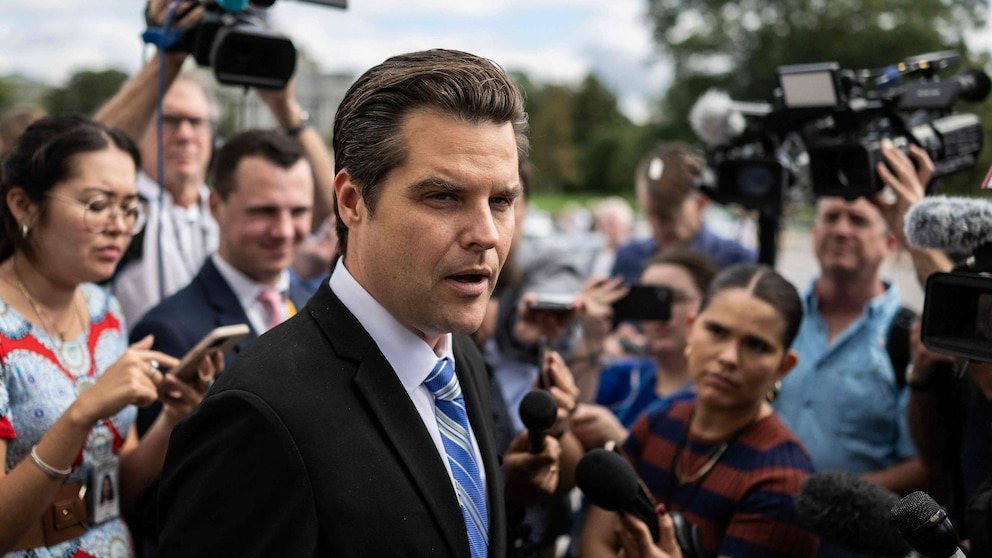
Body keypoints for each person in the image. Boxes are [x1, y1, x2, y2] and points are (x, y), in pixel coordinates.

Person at [156, 48, 545, 557]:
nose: (486, 235)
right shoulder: (258, 416)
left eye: (501, 201)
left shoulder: (459, 358)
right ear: (352, 201)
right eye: (444, 197)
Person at [0, 115, 215, 556]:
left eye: (130, 208)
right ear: (23, 206)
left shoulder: (104, 311)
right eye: (97, 205)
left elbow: (115, 488)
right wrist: (82, 414)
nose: (119, 225)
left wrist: (172, 419)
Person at [95, 0, 334, 327]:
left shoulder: (232, 206)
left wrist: (286, 110)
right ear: (143, 126)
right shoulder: (122, 209)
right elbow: (86, 161)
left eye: (196, 122)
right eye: (170, 121)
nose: (185, 135)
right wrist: (171, 55)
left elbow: (333, 211)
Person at [581, 263, 818, 557]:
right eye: (716, 331)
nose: (729, 357)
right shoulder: (656, 425)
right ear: (691, 328)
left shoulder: (782, 479)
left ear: (783, 366)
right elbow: (595, 540)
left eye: (756, 345)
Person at [570, 249, 716, 451]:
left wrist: (624, 442)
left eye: (676, 297)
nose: (663, 313)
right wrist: (591, 336)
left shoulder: (716, 394)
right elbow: (571, 422)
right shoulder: (626, 375)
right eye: (651, 299)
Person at [611, 143, 755, 283]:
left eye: (667, 217)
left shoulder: (738, 263)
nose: (658, 227)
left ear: (701, 203)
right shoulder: (629, 258)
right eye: (650, 215)